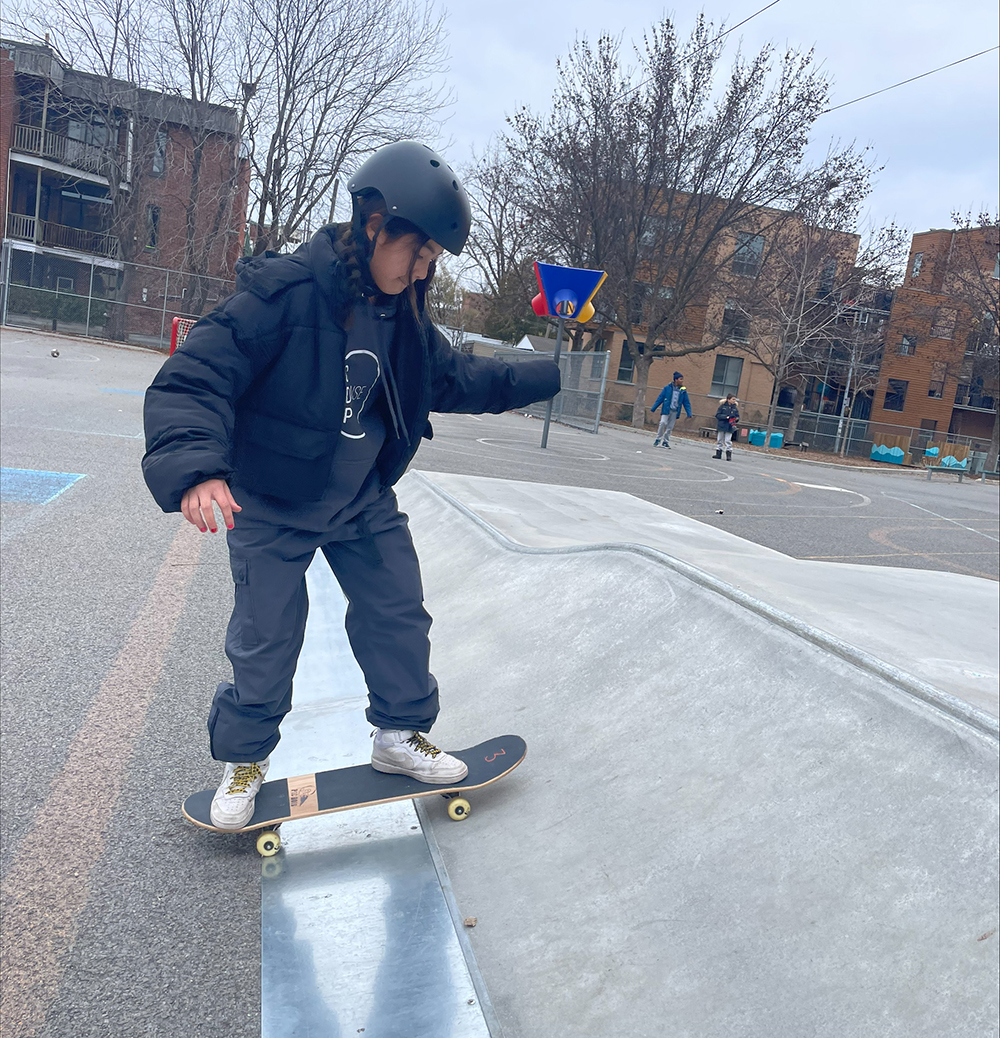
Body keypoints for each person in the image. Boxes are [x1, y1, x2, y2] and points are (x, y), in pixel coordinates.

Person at [142, 141, 560, 829]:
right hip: (272, 501)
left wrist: (545, 375)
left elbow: (457, 378)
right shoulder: (285, 294)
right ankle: (245, 759)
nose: (423, 271)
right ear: (374, 224)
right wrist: (197, 468)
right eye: (417, 254)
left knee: (397, 609)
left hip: (360, 502)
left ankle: (399, 735)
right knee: (267, 636)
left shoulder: (406, 319)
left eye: (431, 262)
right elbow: (198, 376)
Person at [650, 372, 692, 448]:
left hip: (675, 411)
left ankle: (665, 441)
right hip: (666, 409)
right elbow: (660, 398)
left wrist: (689, 413)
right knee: (662, 423)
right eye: (680, 379)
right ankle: (658, 439)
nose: (682, 381)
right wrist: (654, 407)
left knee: (670, 427)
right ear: (676, 380)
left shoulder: (683, 390)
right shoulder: (667, 388)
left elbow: (686, 402)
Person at [714, 395, 740, 460]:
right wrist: (726, 417)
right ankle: (718, 453)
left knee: (728, 440)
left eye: (735, 399)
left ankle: (728, 454)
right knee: (720, 439)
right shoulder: (722, 407)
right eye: (733, 399)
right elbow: (718, 415)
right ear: (728, 399)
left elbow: (737, 416)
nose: (734, 401)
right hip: (722, 425)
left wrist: (736, 419)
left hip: (730, 426)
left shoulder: (735, 408)